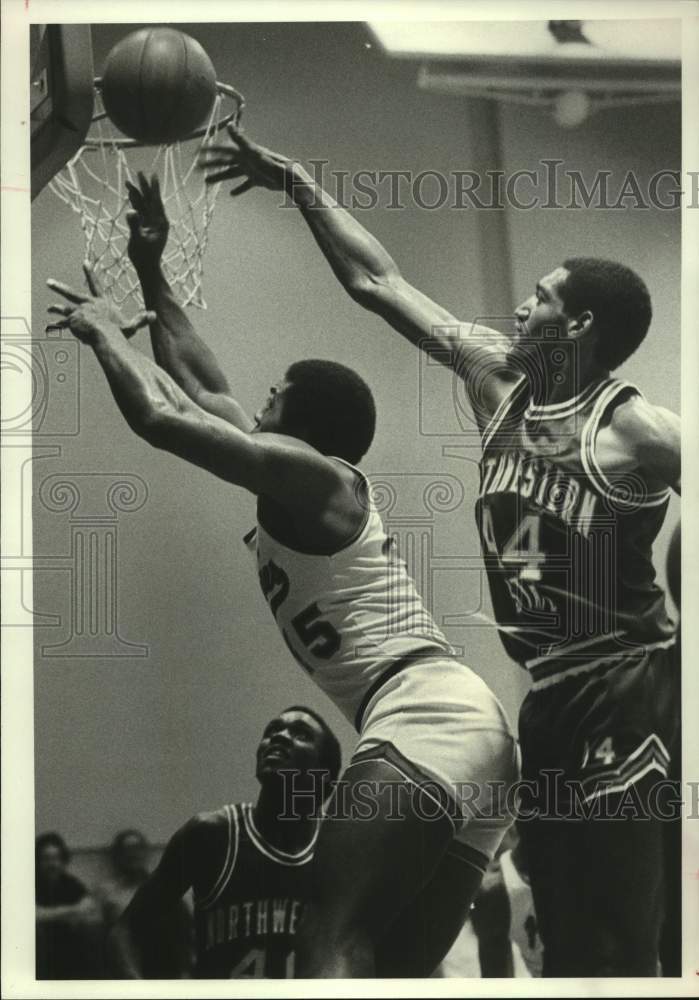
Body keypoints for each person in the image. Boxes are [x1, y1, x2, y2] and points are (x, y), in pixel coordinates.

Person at [198, 126, 681, 976]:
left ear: (578, 323)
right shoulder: (496, 380)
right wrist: (299, 179)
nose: (520, 309)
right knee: (563, 936)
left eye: (538, 298)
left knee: (621, 937)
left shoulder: (633, 428)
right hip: (545, 696)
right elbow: (375, 282)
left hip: (624, 685)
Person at [45, 173, 519, 979]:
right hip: (472, 739)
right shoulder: (296, 484)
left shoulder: (316, 478)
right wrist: (150, 268)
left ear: (302, 422)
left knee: (325, 937)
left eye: (274, 395)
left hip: (423, 718)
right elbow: (202, 389)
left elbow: (164, 418)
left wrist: (103, 337)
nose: (254, 400)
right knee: (397, 970)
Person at [109, 706, 340, 978]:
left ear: (324, 777)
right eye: (272, 730)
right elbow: (125, 931)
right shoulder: (211, 835)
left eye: (300, 734)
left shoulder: (337, 849)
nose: (279, 737)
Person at [35, 832, 101, 979]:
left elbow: (89, 906)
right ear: (37, 861)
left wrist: (52, 914)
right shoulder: (30, 882)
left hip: (68, 942)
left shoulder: (69, 882)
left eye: (57, 858)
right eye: (46, 859)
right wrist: (71, 911)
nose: (53, 864)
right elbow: (31, 915)